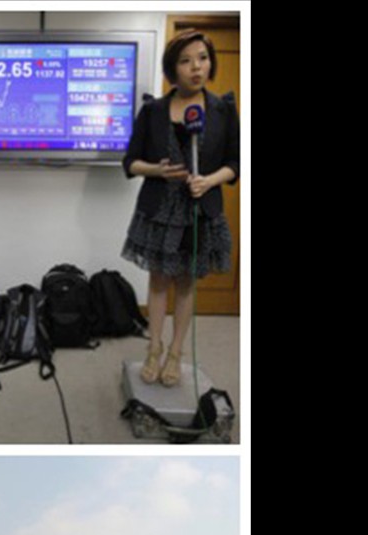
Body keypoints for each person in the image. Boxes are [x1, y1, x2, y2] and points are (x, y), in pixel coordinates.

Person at [121, 30, 240, 387]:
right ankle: (154, 348)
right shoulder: (153, 110)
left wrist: (211, 179)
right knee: (158, 282)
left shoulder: (223, 109)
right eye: (186, 60)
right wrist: (156, 170)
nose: (196, 67)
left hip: (199, 210)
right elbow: (129, 162)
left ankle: (176, 352)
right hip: (159, 210)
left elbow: (237, 161)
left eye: (202, 58)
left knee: (186, 283)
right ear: (173, 68)